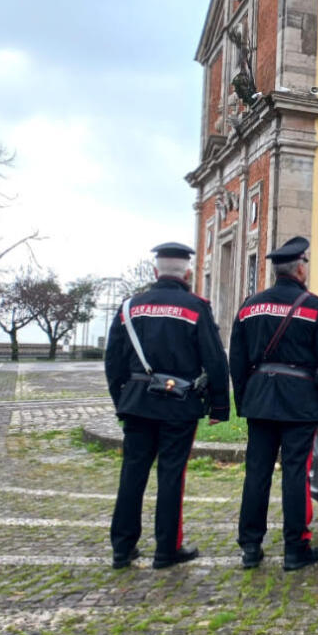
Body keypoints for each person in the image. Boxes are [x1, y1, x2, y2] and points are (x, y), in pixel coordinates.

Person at [105, 242, 230, 569]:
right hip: (179, 405)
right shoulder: (195, 307)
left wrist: (122, 401)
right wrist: (219, 407)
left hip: (137, 402)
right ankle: (166, 550)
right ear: (188, 273)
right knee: (172, 476)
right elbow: (215, 359)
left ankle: (122, 547)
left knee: (132, 474)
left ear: (154, 271)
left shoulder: (130, 307)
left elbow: (113, 361)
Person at [230, 236, 318, 571]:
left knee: (257, 474)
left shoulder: (250, 305)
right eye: (305, 264)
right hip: (300, 401)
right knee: (295, 473)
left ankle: (250, 547)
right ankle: (296, 548)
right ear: (299, 268)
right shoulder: (315, 306)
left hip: (260, 400)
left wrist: (243, 400)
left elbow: (236, 360)